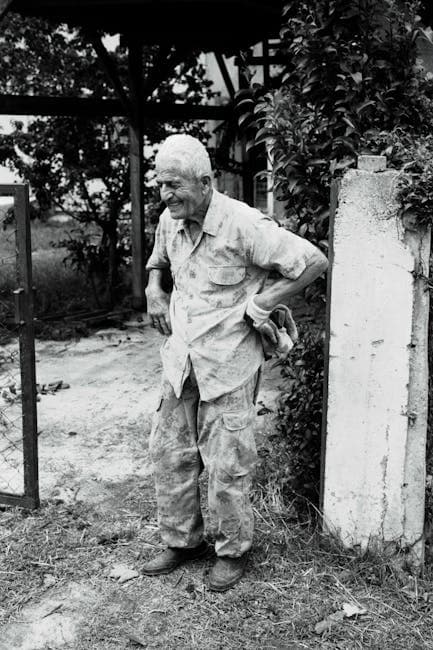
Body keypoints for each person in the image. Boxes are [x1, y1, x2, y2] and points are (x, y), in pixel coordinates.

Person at [142, 133, 328, 591]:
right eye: (161, 186)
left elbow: (314, 261)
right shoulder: (172, 218)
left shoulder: (244, 224)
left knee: (228, 463)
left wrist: (266, 301)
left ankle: (232, 551)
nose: (165, 197)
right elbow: (159, 259)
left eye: (174, 186)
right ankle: (183, 541)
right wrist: (154, 286)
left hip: (228, 361)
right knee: (171, 454)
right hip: (181, 359)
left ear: (205, 182)